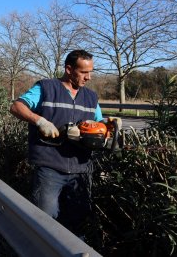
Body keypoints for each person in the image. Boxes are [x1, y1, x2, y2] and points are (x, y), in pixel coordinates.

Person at [9, 50, 106, 237]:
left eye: (91, 72)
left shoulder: (91, 97)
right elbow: (16, 106)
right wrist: (39, 121)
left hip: (81, 170)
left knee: (78, 222)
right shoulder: (46, 88)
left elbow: (99, 124)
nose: (89, 77)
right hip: (50, 168)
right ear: (69, 69)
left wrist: (108, 127)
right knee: (45, 221)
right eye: (84, 72)